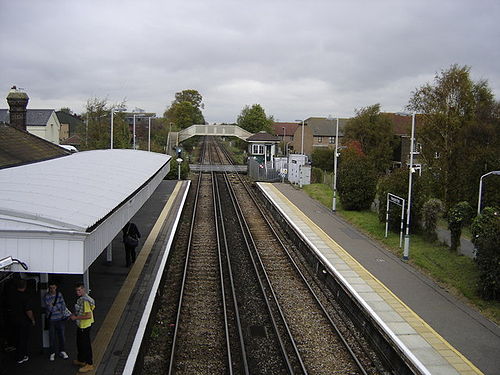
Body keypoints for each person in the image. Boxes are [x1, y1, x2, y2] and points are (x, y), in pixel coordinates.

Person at [70, 283, 95, 373]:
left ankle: (89, 364)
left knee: (85, 345)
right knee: (80, 343)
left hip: (85, 326)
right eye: (76, 290)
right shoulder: (82, 299)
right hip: (81, 325)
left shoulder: (85, 301)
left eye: (79, 290)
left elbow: (88, 315)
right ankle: (81, 359)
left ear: (83, 290)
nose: (77, 292)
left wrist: (76, 318)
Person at [10, 279, 35, 364]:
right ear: (25, 286)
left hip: (13, 319)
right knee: (23, 339)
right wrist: (32, 319)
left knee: (16, 337)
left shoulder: (12, 295)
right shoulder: (26, 297)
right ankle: (21, 356)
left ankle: (17, 353)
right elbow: (28, 311)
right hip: (23, 321)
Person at [43, 281, 69, 361]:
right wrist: (58, 306)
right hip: (52, 320)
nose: (52, 289)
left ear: (56, 287)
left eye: (53, 288)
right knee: (52, 337)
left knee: (62, 336)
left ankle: (62, 351)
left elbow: (63, 306)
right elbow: (50, 308)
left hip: (59, 319)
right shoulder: (46, 296)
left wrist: (54, 306)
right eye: (51, 288)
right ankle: (53, 352)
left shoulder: (59, 294)